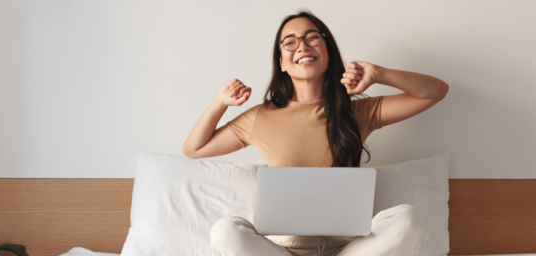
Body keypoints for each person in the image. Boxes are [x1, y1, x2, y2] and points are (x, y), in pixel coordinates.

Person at [182, 9, 448, 256]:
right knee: (225, 230)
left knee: (408, 219)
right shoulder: (260, 117)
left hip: (349, 247)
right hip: (283, 248)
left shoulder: (358, 112)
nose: (303, 46)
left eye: (312, 37)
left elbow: (435, 92)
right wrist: (220, 103)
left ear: (328, 51)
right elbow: (194, 148)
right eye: (290, 41)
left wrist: (378, 74)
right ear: (282, 63)